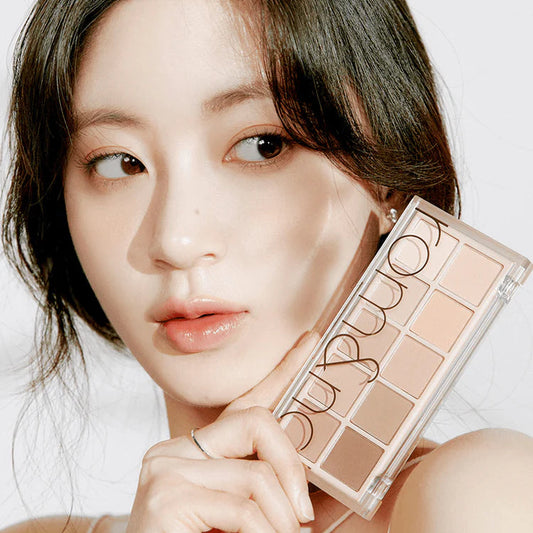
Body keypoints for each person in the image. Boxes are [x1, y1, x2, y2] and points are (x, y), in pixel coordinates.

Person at [2, 0, 532, 531]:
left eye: (262, 146)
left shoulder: (481, 496)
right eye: (120, 163)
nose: (177, 240)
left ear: (387, 180)